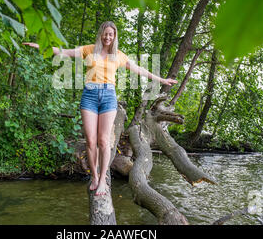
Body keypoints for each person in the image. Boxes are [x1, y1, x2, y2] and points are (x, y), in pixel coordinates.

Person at [23, 21, 177, 196]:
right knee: (90, 140)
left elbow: (139, 69)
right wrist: (40, 47)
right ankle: (94, 176)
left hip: (108, 97)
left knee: (104, 141)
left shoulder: (118, 55)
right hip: (89, 96)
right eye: (105, 33)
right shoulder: (89, 50)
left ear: (115, 36)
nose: (108, 37)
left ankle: (103, 179)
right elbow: (64, 52)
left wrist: (162, 80)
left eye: (111, 34)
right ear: (101, 34)